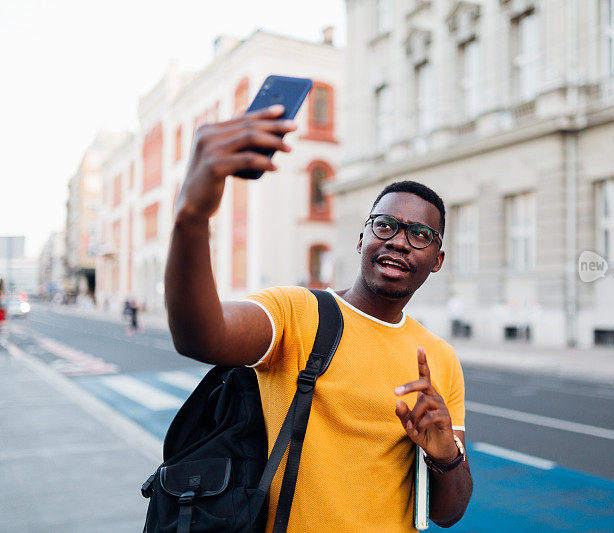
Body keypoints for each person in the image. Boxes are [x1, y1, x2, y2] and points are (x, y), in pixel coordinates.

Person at [165, 104, 472, 532]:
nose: (400, 242)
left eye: (420, 235)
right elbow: (200, 336)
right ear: (362, 238)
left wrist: (445, 456)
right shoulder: (297, 313)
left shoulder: (440, 358)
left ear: (436, 260)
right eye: (386, 225)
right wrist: (191, 218)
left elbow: (447, 513)